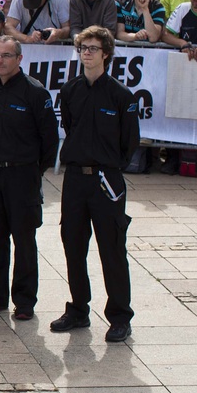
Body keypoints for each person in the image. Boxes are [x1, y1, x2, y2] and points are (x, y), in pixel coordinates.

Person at [53, 25, 139, 343]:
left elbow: (130, 142)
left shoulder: (120, 95)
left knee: (111, 248)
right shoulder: (71, 90)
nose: (86, 53)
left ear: (105, 53)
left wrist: (110, 167)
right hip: (76, 177)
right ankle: (78, 309)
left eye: (92, 48)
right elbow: (69, 126)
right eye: (82, 48)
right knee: (73, 246)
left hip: (106, 179)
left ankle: (119, 316)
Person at [0, 37, 58, 320]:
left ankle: (24, 301)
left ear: (19, 59)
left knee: (23, 239)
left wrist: (33, 170)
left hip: (22, 175)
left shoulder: (35, 92)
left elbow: (49, 141)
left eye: (6, 56)